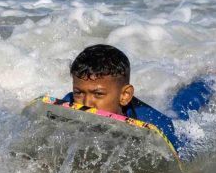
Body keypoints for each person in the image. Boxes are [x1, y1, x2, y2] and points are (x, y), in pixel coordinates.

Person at [59, 44, 198, 156]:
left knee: (181, 109)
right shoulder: (68, 104)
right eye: (79, 92)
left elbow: (183, 163)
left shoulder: (157, 126)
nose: (86, 103)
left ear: (124, 95)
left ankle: (206, 81)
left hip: (179, 126)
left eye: (98, 94)